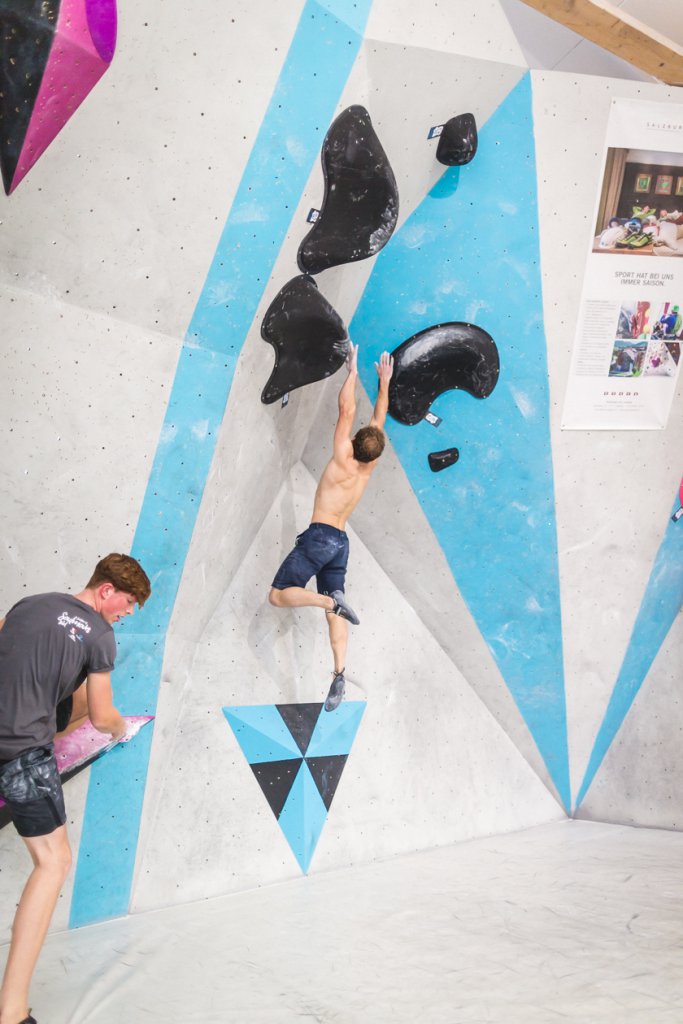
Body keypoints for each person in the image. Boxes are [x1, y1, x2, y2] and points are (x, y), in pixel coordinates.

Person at [0, 553, 151, 1024]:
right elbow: (103, 713)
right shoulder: (101, 636)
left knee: (77, 696)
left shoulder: (31, 604)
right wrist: (117, 728)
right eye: (126, 603)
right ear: (105, 589)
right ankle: (11, 1012)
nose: (126, 614)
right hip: (22, 753)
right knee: (54, 862)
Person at [269, 344, 394, 712]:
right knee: (333, 609)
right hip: (341, 542)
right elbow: (378, 420)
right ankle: (339, 674)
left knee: (279, 594)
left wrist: (353, 371)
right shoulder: (369, 465)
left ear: (354, 443)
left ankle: (329, 602)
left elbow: (347, 408)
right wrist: (384, 383)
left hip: (321, 535)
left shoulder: (343, 455)